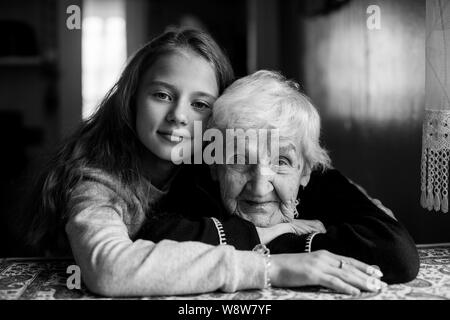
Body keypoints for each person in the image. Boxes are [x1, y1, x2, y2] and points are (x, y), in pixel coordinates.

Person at [21, 27, 393, 297]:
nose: (179, 116)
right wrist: (272, 264)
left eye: (199, 104)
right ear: (132, 98)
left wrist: (354, 199)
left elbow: (373, 222)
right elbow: (109, 270)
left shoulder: (211, 158)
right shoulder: (96, 180)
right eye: (163, 95)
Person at [139, 70, 420, 285]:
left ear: (306, 170)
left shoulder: (322, 179)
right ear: (215, 166)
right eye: (238, 159)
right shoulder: (198, 177)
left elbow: (398, 256)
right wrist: (279, 235)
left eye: (282, 161)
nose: (260, 188)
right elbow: (155, 241)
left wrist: (283, 248)